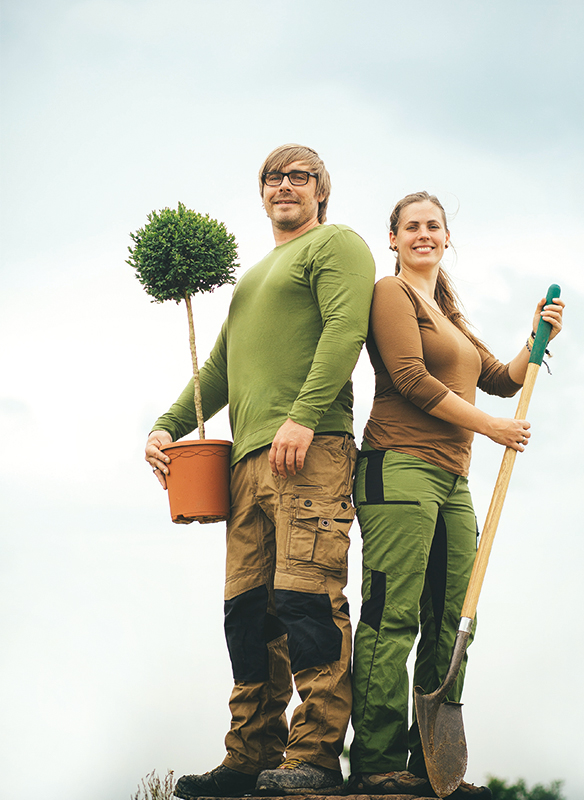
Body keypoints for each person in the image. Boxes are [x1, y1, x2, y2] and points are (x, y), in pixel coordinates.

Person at [144, 144, 375, 798]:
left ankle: (316, 756)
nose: (284, 185)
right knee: (247, 615)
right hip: (244, 465)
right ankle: (248, 754)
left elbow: (344, 330)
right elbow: (217, 372)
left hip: (310, 451)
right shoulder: (252, 279)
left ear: (321, 190)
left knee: (306, 599)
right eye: (273, 177)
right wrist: (166, 426)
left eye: (299, 176)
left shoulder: (335, 245)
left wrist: (303, 416)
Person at [346, 191, 564, 798]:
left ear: (447, 238)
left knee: (453, 620)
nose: (423, 234)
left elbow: (500, 378)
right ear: (393, 239)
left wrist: (536, 338)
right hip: (400, 470)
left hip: (453, 482)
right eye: (410, 226)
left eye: (433, 226)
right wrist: (491, 428)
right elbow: (411, 379)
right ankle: (378, 760)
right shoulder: (391, 295)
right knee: (393, 614)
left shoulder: (449, 313)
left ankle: (430, 763)